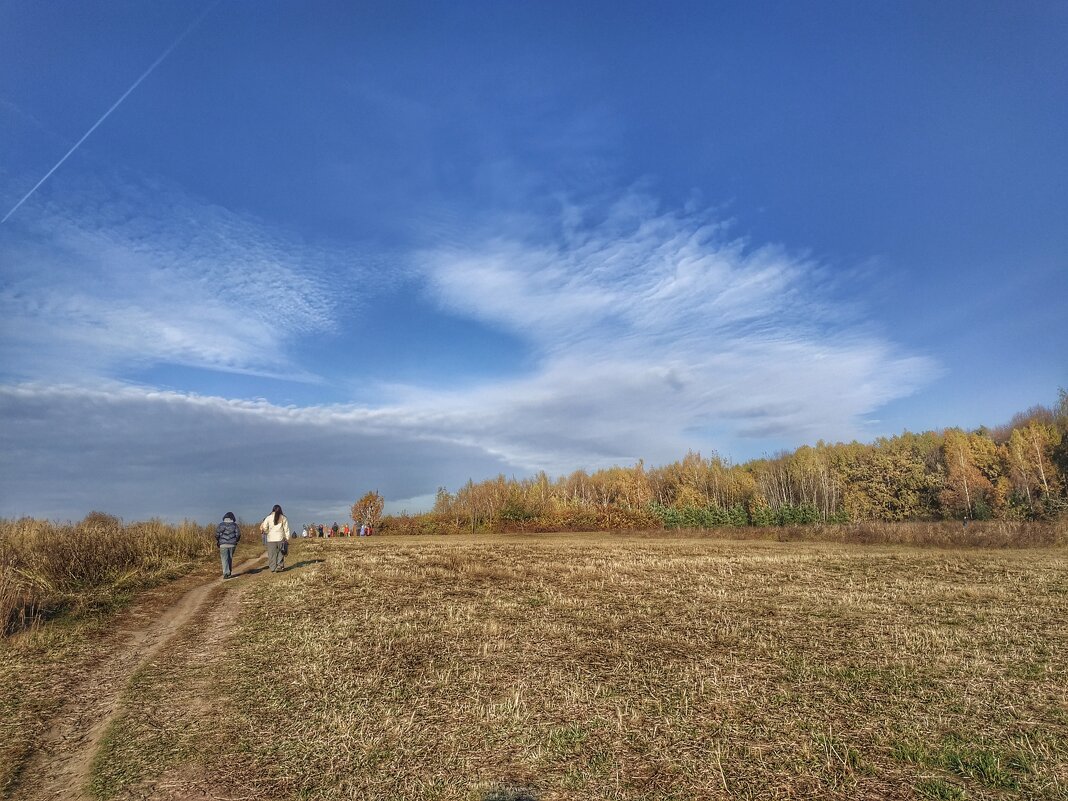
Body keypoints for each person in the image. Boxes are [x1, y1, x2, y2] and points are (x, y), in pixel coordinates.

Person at [260, 504, 292, 572]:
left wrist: (267, 532)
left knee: (271, 554)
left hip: (271, 539)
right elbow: (286, 529)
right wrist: (287, 537)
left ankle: (272, 568)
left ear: (273, 510)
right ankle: (279, 566)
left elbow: (264, 527)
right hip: (280, 538)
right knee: (281, 553)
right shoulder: (283, 518)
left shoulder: (268, 518)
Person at [215, 511, 241, 579]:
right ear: (233, 518)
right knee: (230, 558)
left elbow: (217, 534)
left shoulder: (221, 525)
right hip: (232, 544)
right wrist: (236, 540)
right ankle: (228, 572)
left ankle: (226, 573)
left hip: (223, 544)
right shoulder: (235, 525)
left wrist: (218, 540)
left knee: (224, 559)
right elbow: (238, 534)